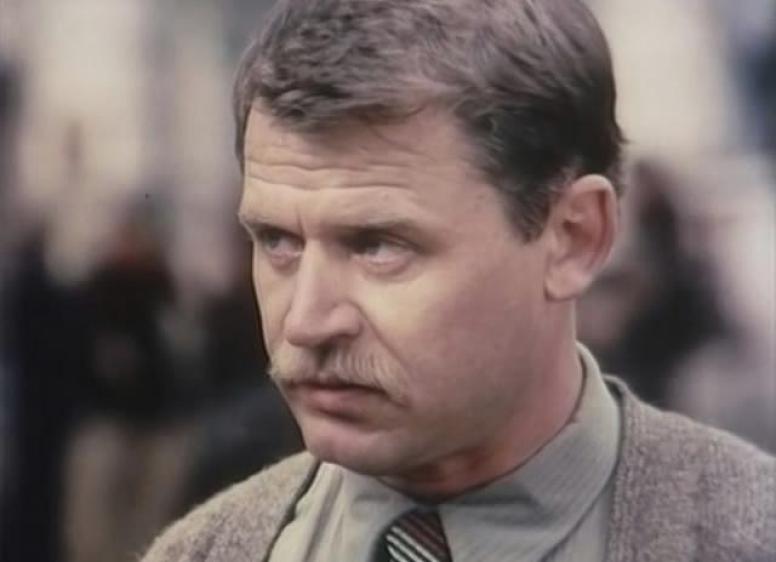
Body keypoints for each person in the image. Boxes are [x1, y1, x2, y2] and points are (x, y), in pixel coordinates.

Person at [142, 0, 776, 560]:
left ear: (573, 238)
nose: (306, 321)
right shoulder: (200, 551)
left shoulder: (746, 534)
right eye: (277, 242)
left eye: (378, 246)